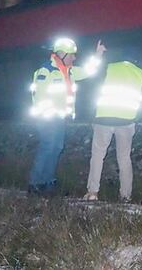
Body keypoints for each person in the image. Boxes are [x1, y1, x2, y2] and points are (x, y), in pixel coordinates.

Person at [27, 37, 104, 196]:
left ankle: (48, 182)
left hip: (58, 118)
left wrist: (97, 56)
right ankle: (35, 183)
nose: (74, 58)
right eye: (72, 54)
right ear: (61, 54)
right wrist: (48, 115)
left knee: (55, 148)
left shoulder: (69, 71)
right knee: (48, 148)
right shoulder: (45, 71)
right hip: (47, 118)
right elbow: (39, 96)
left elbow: (88, 71)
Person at [84, 56, 142, 203]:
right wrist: (136, 117)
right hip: (126, 121)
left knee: (98, 156)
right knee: (124, 158)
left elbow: (93, 92)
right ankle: (125, 196)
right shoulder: (140, 73)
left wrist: (93, 116)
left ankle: (92, 192)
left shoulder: (109, 68)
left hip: (103, 118)